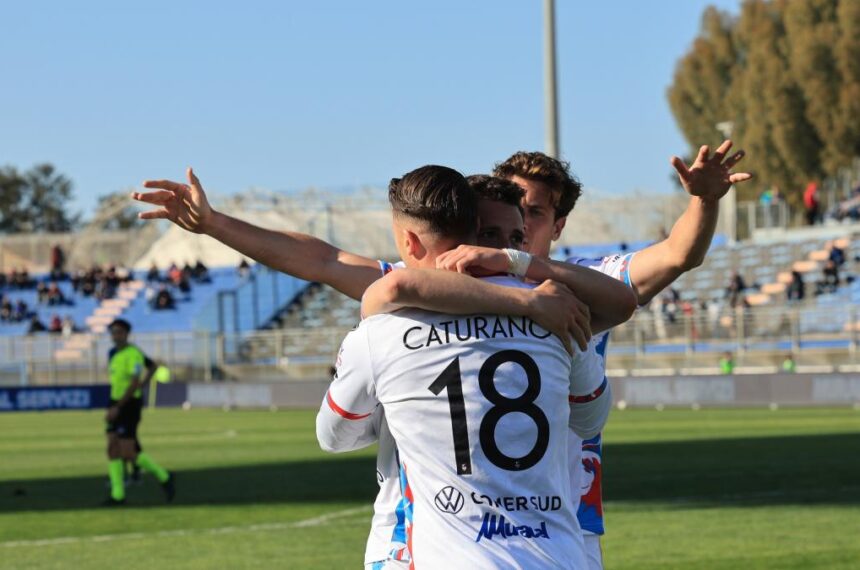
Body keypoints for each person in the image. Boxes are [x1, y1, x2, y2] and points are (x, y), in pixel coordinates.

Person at [134, 139, 750, 568]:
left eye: (534, 215)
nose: (515, 224)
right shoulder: (430, 286)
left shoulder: (579, 283)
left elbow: (673, 258)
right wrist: (214, 225)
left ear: (557, 226)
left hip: (560, 521)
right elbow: (321, 259)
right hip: (433, 528)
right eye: (502, 215)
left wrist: (703, 202)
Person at [316, 165, 599, 567]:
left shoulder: (383, 329)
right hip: (557, 555)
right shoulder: (559, 311)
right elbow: (590, 420)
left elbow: (334, 436)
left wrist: (393, 407)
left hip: (431, 552)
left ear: (409, 241)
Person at [103, 318, 174, 505]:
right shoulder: (112, 353)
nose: (115, 335)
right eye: (113, 332)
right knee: (112, 448)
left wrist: (119, 406)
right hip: (115, 401)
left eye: (119, 332)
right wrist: (112, 404)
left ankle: (164, 476)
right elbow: (151, 366)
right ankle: (118, 495)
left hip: (128, 404)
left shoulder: (133, 353)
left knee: (128, 452)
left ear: (126, 334)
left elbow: (135, 381)